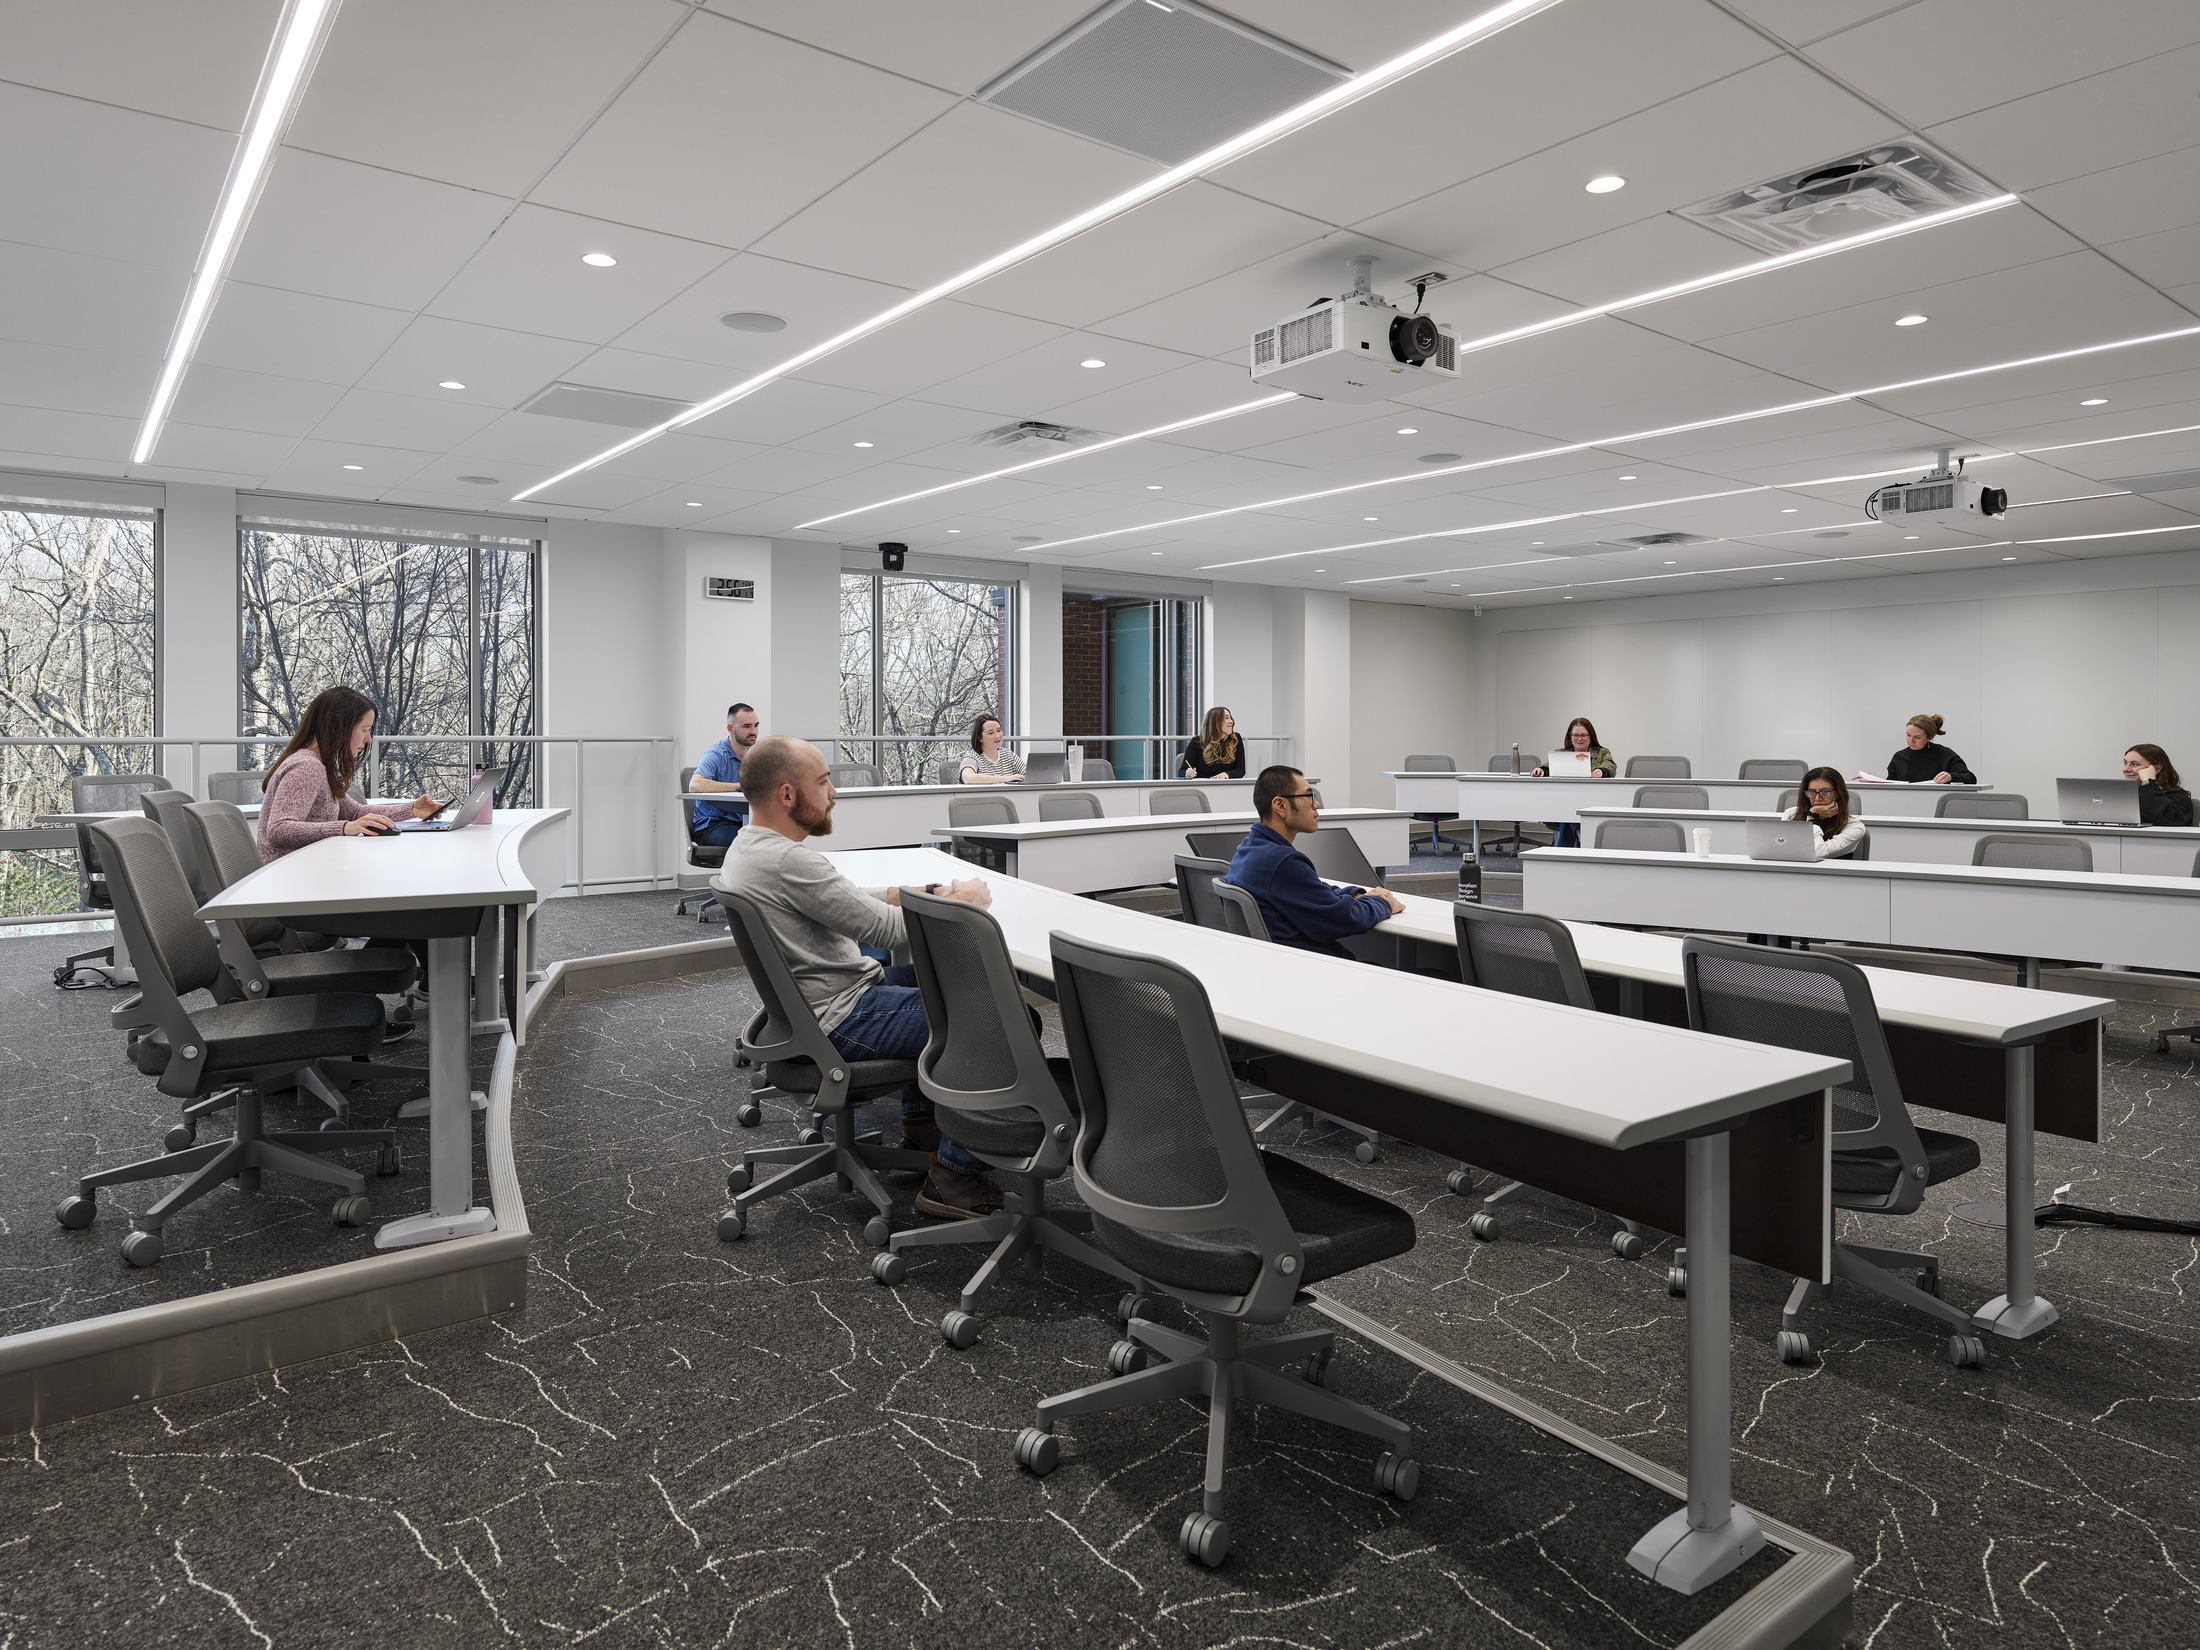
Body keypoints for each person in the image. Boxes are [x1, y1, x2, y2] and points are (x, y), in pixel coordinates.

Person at [717, 737, 1003, 1220]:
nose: (833, 793)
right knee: (990, 1016)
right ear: (787, 794)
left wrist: (926, 891)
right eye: (823, 782)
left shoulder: (751, 848)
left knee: (940, 978)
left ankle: (924, 1128)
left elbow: (843, 897)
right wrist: (966, 902)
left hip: (812, 1009)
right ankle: (955, 1177)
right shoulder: (789, 860)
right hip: (841, 1018)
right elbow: (887, 929)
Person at [1227, 764, 1403, 957]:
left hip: (1282, 963)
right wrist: (1381, 902)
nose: (1317, 804)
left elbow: (1313, 890)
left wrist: (1355, 895)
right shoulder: (1283, 862)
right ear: (1280, 806)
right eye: (1309, 796)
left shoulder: (1250, 848)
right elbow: (1345, 919)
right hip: (1311, 967)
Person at [256, 685, 439, 861]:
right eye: (365, 730)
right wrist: (344, 828)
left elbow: (354, 813)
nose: (369, 739)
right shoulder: (307, 767)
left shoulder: (319, 765)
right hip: (289, 873)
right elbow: (278, 830)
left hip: (306, 867)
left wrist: (412, 809)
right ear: (339, 727)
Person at [1530, 716, 1616, 847]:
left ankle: (1570, 843)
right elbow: (1548, 766)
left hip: (1591, 800)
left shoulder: (1602, 753)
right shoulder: (1561, 753)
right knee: (1568, 804)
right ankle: (1579, 833)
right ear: (1570, 736)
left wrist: (1602, 771)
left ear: (1590, 736)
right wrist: (1541, 769)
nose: (1579, 739)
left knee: (1568, 809)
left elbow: (1610, 766)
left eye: (1583, 735)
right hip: (1564, 801)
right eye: (1576, 735)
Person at [689, 702, 759, 846]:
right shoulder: (716, 754)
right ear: (730, 728)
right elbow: (695, 785)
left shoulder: (756, 755)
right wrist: (738, 786)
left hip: (743, 824)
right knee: (749, 842)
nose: (753, 731)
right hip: (712, 826)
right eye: (747, 726)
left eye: (756, 725)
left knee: (773, 840)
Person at [1789, 767, 1868, 859]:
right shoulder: (1791, 815)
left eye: (1825, 792)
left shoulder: (1854, 827)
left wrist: (1812, 816)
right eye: (1812, 792)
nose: (1817, 798)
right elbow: (1783, 850)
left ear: (1837, 794)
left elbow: (1817, 852)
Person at [1885, 714, 1974, 784]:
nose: (1911, 741)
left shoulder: (1944, 754)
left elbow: (1970, 778)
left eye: (1917, 737)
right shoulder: (1899, 757)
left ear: (1930, 737)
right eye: (1908, 735)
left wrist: (1951, 776)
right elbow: (1890, 787)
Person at [2124, 744, 2194, 827]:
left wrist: (2148, 782)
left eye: (2135, 764)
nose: (2126, 769)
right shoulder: (2126, 796)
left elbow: (2159, 820)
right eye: (2125, 763)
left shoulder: (2178, 797)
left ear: (2156, 769)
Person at [1180, 706, 1245, 779]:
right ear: (1216, 722)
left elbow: (1241, 770)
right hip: (1202, 784)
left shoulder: (1235, 739)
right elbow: (1182, 771)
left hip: (1226, 784)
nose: (1231, 721)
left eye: (1230, 718)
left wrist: (1227, 774)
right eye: (1226, 718)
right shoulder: (1197, 741)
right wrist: (1187, 773)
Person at [958, 713, 1025, 784]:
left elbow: (1030, 774)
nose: (997, 736)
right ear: (980, 738)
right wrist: (1006, 778)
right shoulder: (972, 756)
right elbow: (968, 778)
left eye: (999, 730)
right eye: (991, 733)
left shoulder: (1008, 754)